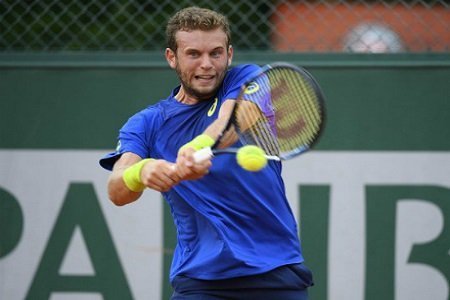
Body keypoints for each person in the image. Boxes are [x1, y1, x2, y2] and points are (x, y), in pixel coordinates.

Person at [99, 6, 313, 299]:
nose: (207, 64)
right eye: (193, 54)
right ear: (171, 57)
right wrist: (143, 171)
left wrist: (196, 148)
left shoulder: (249, 78)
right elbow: (116, 190)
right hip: (200, 280)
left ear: (229, 54)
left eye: (216, 53)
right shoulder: (147, 123)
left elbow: (233, 120)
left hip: (275, 273)